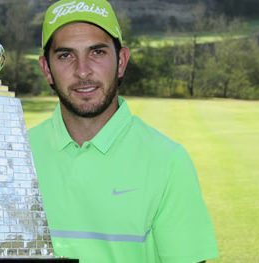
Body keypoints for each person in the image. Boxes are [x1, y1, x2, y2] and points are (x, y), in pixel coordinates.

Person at [29, 0, 219, 262]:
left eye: (97, 53)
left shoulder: (168, 161)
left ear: (121, 61)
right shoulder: (14, 156)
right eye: (65, 55)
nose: (82, 71)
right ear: (46, 69)